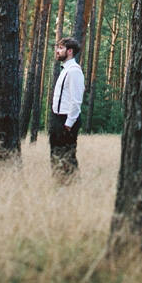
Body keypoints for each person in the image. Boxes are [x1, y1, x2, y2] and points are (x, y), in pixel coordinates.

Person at [49, 36, 84, 183]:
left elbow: (76, 100)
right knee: (56, 155)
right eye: (58, 47)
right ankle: (59, 184)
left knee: (67, 155)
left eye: (61, 48)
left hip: (67, 120)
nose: (57, 51)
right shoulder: (65, 70)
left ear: (69, 51)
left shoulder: (74, 71)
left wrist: (68, 123)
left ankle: (72, 185)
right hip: (58, 118)